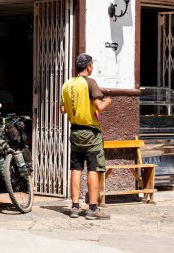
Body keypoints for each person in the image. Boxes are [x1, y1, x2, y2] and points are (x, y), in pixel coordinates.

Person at [60, 53, 112, 220]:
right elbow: (100, 106)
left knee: (76, 168)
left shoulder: (67, 84)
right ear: (88, 66)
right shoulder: (90, 83)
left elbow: (63, 109)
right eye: (92, 65)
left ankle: (74, 207)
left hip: (75, 132)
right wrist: (108, 100)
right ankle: (92, 208)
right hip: (91, 133)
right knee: (93, 169)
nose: (92, 67)